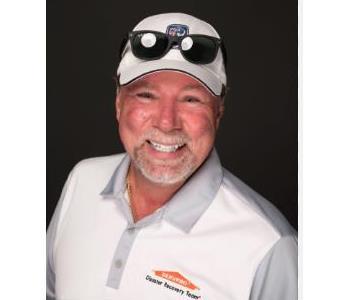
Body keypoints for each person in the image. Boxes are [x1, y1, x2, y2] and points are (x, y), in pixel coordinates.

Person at [47, 12, 297, 300]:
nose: (167, 122)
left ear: (219, 111)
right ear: (118, 101)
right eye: (146, 96)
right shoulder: (82, 180)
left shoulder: (270, 246)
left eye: (191, 99)